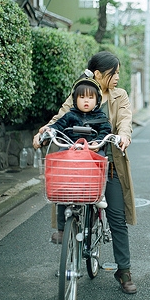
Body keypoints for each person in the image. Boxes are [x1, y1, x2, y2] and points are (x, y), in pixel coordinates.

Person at [33, 51, 137, 294]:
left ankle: (124, 270)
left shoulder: (119, 95)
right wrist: (44, 131)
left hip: (107, 163)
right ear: (99, 74)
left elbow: (124, 119)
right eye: (115, 73)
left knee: (116, 217)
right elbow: (61, 116)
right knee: (68, 200)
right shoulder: (80, 92)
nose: (118, 77)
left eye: (119, 72)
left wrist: (124, 136)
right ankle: (69, 252)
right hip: (79, 163)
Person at [46, 76, 111, 209]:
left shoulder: (100, 117)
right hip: (71, 148)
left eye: (90, 97)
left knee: (99, 161)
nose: (86, 100)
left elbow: (105, 130)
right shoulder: (70, 115)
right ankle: (62, 225)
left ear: (97, 100)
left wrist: (97, 142)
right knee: (61, 162)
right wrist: (50, 130)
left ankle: (99, 192)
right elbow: (58, 125)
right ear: (75, 100)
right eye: (81, 97)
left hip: (93, 148)